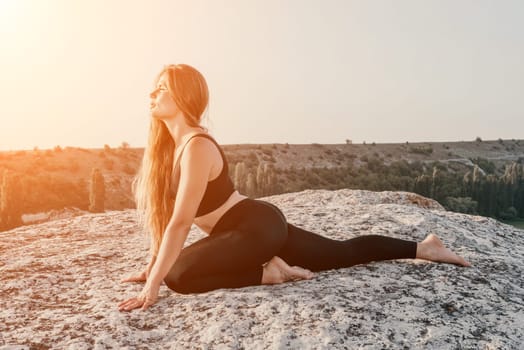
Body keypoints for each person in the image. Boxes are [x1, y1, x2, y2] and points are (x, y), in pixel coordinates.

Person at [118, 64, 470, 312]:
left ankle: (268, 273)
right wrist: (151, 268)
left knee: (177, 276)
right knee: (340, 255)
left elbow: (180, 224)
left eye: (161, 87)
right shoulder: (171, 150)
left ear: (183, 96)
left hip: (253, 226)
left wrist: (154, 286)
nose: (152, 93)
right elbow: (164, 219)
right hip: (246, 230)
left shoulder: (196, 145)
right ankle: (424, 248)